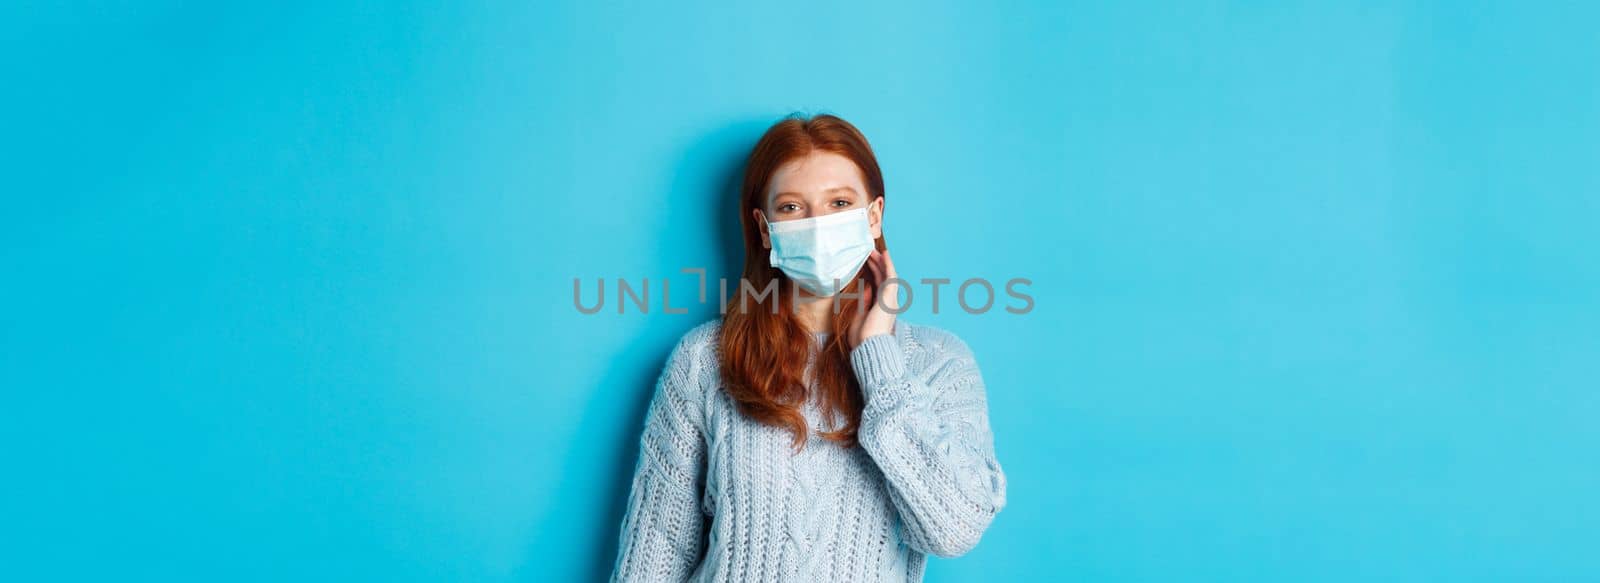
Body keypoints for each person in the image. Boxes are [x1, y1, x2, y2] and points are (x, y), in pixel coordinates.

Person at [610, 113, 1006, 582]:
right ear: (764, 228)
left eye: (840, 202)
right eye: (793, 208)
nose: (820, 226)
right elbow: (655, 554)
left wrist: (877, 356)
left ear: (873, 215)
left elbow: (954, 528)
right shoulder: (705, 360)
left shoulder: (940, 363)